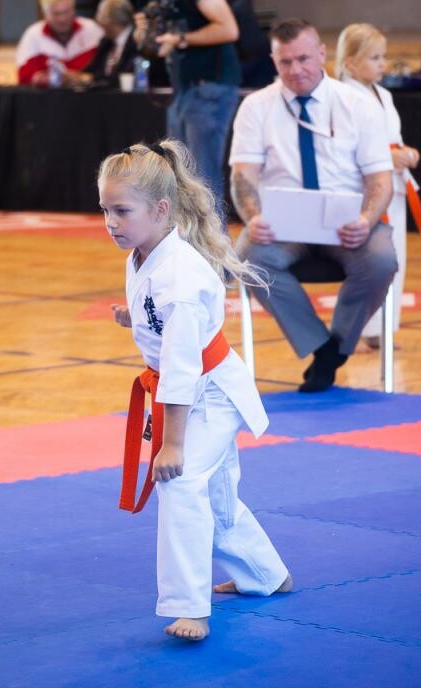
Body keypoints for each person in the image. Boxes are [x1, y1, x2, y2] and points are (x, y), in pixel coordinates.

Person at [98, 139, 291, 641]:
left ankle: (190, 607)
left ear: (161, 210)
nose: (112, 223)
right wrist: (133, 317)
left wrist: (173, 443)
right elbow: (165, 324)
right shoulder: (145, 253)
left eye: (122, 211)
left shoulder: (180, 276)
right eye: (105, 211)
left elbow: (182, 367)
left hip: (206, 394)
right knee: (219, 492)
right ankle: (267, 575)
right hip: (199, 385)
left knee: (180, 482)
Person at [229, 19, 398, 393]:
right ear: (274, 60)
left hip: (348, 220)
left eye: (304, 59)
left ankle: (337, 346)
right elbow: (243, 177)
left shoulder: (358, 104)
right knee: (248, 258)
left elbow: (380, 181)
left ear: (322, 54)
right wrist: (253, 217)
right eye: (285, 62)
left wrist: (367, 220)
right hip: (283, 223)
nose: (296, 70)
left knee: (383, 259)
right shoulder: (256, 107)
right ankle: (321, 347)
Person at [132, 0, 241, 213]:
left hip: (211, 84)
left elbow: (228, 28)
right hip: (181, 86)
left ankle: (213, 256)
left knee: (202, 178)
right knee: (179, 175)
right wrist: (144, 36)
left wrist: (180, 39)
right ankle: (190, 252)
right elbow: (152, 45)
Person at [336, 23, 421, 349]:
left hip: (394, 186)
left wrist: (404, 152)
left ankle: (383, 328)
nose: (382, 64)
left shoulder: (383, 94)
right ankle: (357, 329)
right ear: (350, 62)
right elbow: (347, 145)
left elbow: (392, 140)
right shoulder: (342, 98)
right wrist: (391, 156)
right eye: (374, 58)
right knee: (367, 259)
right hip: (362, 190)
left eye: (383, 57)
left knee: (395, 256)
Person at [16, 0, 102, 86]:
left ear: (74, 10)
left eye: (66, 12)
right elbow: (25, 77)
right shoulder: (33, 35)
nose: (62, 19)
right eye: (56, 14)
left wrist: (83, 78)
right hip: (49, 99)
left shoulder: (93, 30)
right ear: (45, 14)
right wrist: (53, 80)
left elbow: (108, 71)